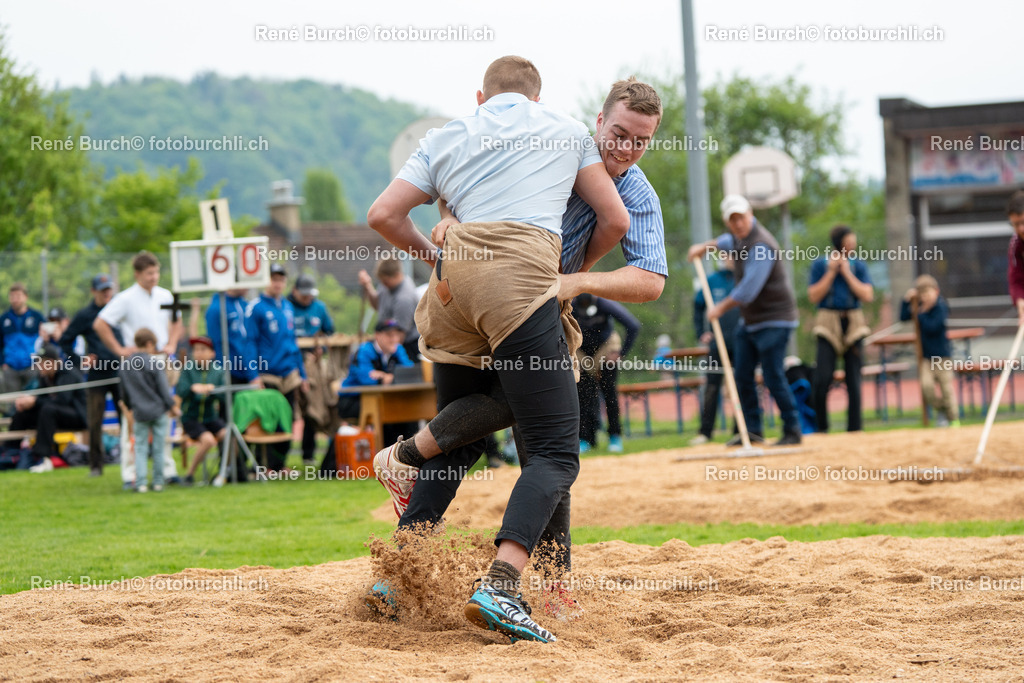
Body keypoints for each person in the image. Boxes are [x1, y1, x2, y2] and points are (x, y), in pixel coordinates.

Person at [366, 55, 629, 643]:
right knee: (556, 454)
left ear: (481, 96)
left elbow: (383, 213)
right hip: (518, 277)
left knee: (462, 440)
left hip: (452, 284)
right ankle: (502, 587)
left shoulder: (447, 133)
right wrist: (570, 274)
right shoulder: (564, 130)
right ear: (537, 99)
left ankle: (393, 580)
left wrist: (435, 257)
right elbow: (612, 220)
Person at [687, 195, 802, 447]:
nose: (738, 223)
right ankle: (752, 430)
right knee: (742, 375)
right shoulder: (738, 237)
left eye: (741, 217)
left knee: (772, 375)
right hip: (751, 322)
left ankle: (793, 429)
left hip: (775, 319)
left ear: (751, 214)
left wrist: (720, 308)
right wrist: (703, 247)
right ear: (728, 222)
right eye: (733, 219)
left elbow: (748, 290)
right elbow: (724, 242)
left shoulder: (761, 245)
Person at [94, 251, 182, 486]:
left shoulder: (165, 295)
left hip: (161, 360)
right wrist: (120, 350)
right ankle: (131, 474)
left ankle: (166, 471)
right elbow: (100, 323)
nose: (154, 277)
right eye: (149, 273)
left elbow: (176, 320)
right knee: (132, 420)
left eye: (156, 272)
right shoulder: (125, 298)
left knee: (164, 417)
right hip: (136, 365)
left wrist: (172, 342)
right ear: (137, 274)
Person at [807, 225, 874, 433]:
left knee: (853, 376)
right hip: (828, 321)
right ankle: (821, 427)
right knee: (822, 377)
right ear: (839, 243)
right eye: (849, 243)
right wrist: (831, 272)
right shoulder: (820, 264)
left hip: (853, 320)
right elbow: (813, 296)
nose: (852, 246)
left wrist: (846, 272)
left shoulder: (857, 266)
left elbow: (867, 295)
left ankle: (855, 428)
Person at [59, 274, 122, 477]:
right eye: (102, 290)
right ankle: (96, 465)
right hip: (97, 373)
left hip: (121, 370)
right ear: (93, 291)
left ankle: (131, 461)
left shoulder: (118, 309)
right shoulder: (85, 314)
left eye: (108, 289)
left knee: (128, 417)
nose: (106, 293)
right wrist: (80, 361)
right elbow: (65, 341)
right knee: (94, 420)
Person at [245, 263, 307, 471]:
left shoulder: (287, 307)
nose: (277, 283)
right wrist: (253, 375)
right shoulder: (256, 307)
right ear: (265, 280)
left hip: (289, 372)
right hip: (267, 373)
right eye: (273, 278)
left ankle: (279, 465)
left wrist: (302, 374)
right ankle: (263, 466)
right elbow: (250, 343)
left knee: (286, 420)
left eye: (281, 279)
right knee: (267, 422)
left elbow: (293, 342)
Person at [330, 319, 415, 458]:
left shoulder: (397, 349)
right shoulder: (364, 350)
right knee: (388, 411)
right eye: (389, 335)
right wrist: (387, 377)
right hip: (352, 400)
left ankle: (405, 457)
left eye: (396, 335)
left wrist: (386, 376)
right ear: (377, 335)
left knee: (408, 413)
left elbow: (409, 372)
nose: (394, 339)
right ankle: (385, 457)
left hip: (381, 400)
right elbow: (367, 380)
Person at [572, 293, 640, 453]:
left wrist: (621, 353)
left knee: (610, 395)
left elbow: (633, 325)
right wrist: (571, 356)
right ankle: (586, 438)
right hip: (582, 354)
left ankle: (615, 436)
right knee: (583, 397)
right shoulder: (571, 307)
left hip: (606, 350)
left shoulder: (604, 304)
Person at [3, 344, 87, 470]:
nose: (39, 366)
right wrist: (26, 402)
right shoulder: (44, 376)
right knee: (24, 413)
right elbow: (40, 397)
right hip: (55, 415)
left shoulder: (68, 372)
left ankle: (42, 457)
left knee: (48, 410)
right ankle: (9, 452)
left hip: (78, 416)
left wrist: (34, 401)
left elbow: (62, 400)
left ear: (52, 362)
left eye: (42, 362)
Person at [690, 252, 741, 445]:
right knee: (712, 386)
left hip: (741, 341)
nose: (729, 259)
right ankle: (705, 432)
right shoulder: (712, 280)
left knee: (741, 384)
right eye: (726, 255)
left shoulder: (743, 278)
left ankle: (740, 430)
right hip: (718, 341)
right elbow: (698, 306)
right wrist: (701, 332)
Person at [120, 328, 177, 492]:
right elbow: (163, 389)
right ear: (149, 343)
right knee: (159, 448)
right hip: (158, 411)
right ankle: (158, 482)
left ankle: (141, 483)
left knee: (140, 448)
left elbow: (124, 392)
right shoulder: (154, 363)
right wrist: (171, 406)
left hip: (139, 412)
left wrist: (131, 407)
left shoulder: (125, 365)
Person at [288, 274, 337, 465]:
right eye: (304, 295)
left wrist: (321, 349)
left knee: (313, 405)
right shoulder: (286, 307)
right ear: (295, 291)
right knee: (294, 408)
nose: (307, 298)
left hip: (315, 363)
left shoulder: (319, 307)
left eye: (310, 294)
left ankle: (308, 454)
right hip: (292, 361)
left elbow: (329, 332)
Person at [901, 275, 958, 427]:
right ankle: (941, 410)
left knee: (946, 388)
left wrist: (920, 314)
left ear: (936, 292)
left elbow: (933, 327)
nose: (925, 297)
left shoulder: (940, 307)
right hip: (926, 358)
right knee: (926, 387)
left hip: (941, 357)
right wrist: (906, 301)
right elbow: (903, 317)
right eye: (922, 294)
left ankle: (953, 418)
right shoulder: (919, 307)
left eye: (928, 293)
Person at [176, 336, 227, 485]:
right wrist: (193, 388)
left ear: (212, 353)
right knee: (208, 440)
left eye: (202, 350)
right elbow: (181, 391)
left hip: (210, 417)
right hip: (191, 418)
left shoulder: (218, 371)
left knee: (229, 435)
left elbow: (225, 395)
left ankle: (223, 471)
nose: (198, 353)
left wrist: (214, 390)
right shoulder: (188, 369)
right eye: (196, 350)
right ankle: (190, 474)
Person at [358, 259, 421, 360]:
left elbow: (399, 335)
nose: (383, 284)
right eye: (382, 281)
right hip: (390, 343)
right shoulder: (387, 285)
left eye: (385, 281)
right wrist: (368, 286)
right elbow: (377, 304)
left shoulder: (404, 298)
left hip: (406, 347)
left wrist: (382, 352)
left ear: (397, 275)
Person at [205, 288, 260, 386]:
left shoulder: (245, 305)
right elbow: (216, 343)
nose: (247, 286)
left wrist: (252, 372)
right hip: (230, 373)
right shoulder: (216, 308)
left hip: (251, 370)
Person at [0, 283, 45, 400]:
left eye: (18, 296)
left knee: (32, 400)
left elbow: (45, 340)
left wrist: (39, 362)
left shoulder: (37, 317)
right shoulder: (4, 319)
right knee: (12, 404)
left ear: (26, 297)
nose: (15, 299)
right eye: (12, 296)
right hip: (10, 368)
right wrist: (3, 363)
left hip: (31, 367)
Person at [1006, 190, 1024, 325]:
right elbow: (1016, 279)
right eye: (1016, 224)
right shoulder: (1016, 243)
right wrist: (1020, 301)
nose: (1021, 228)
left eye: (1023, 222)